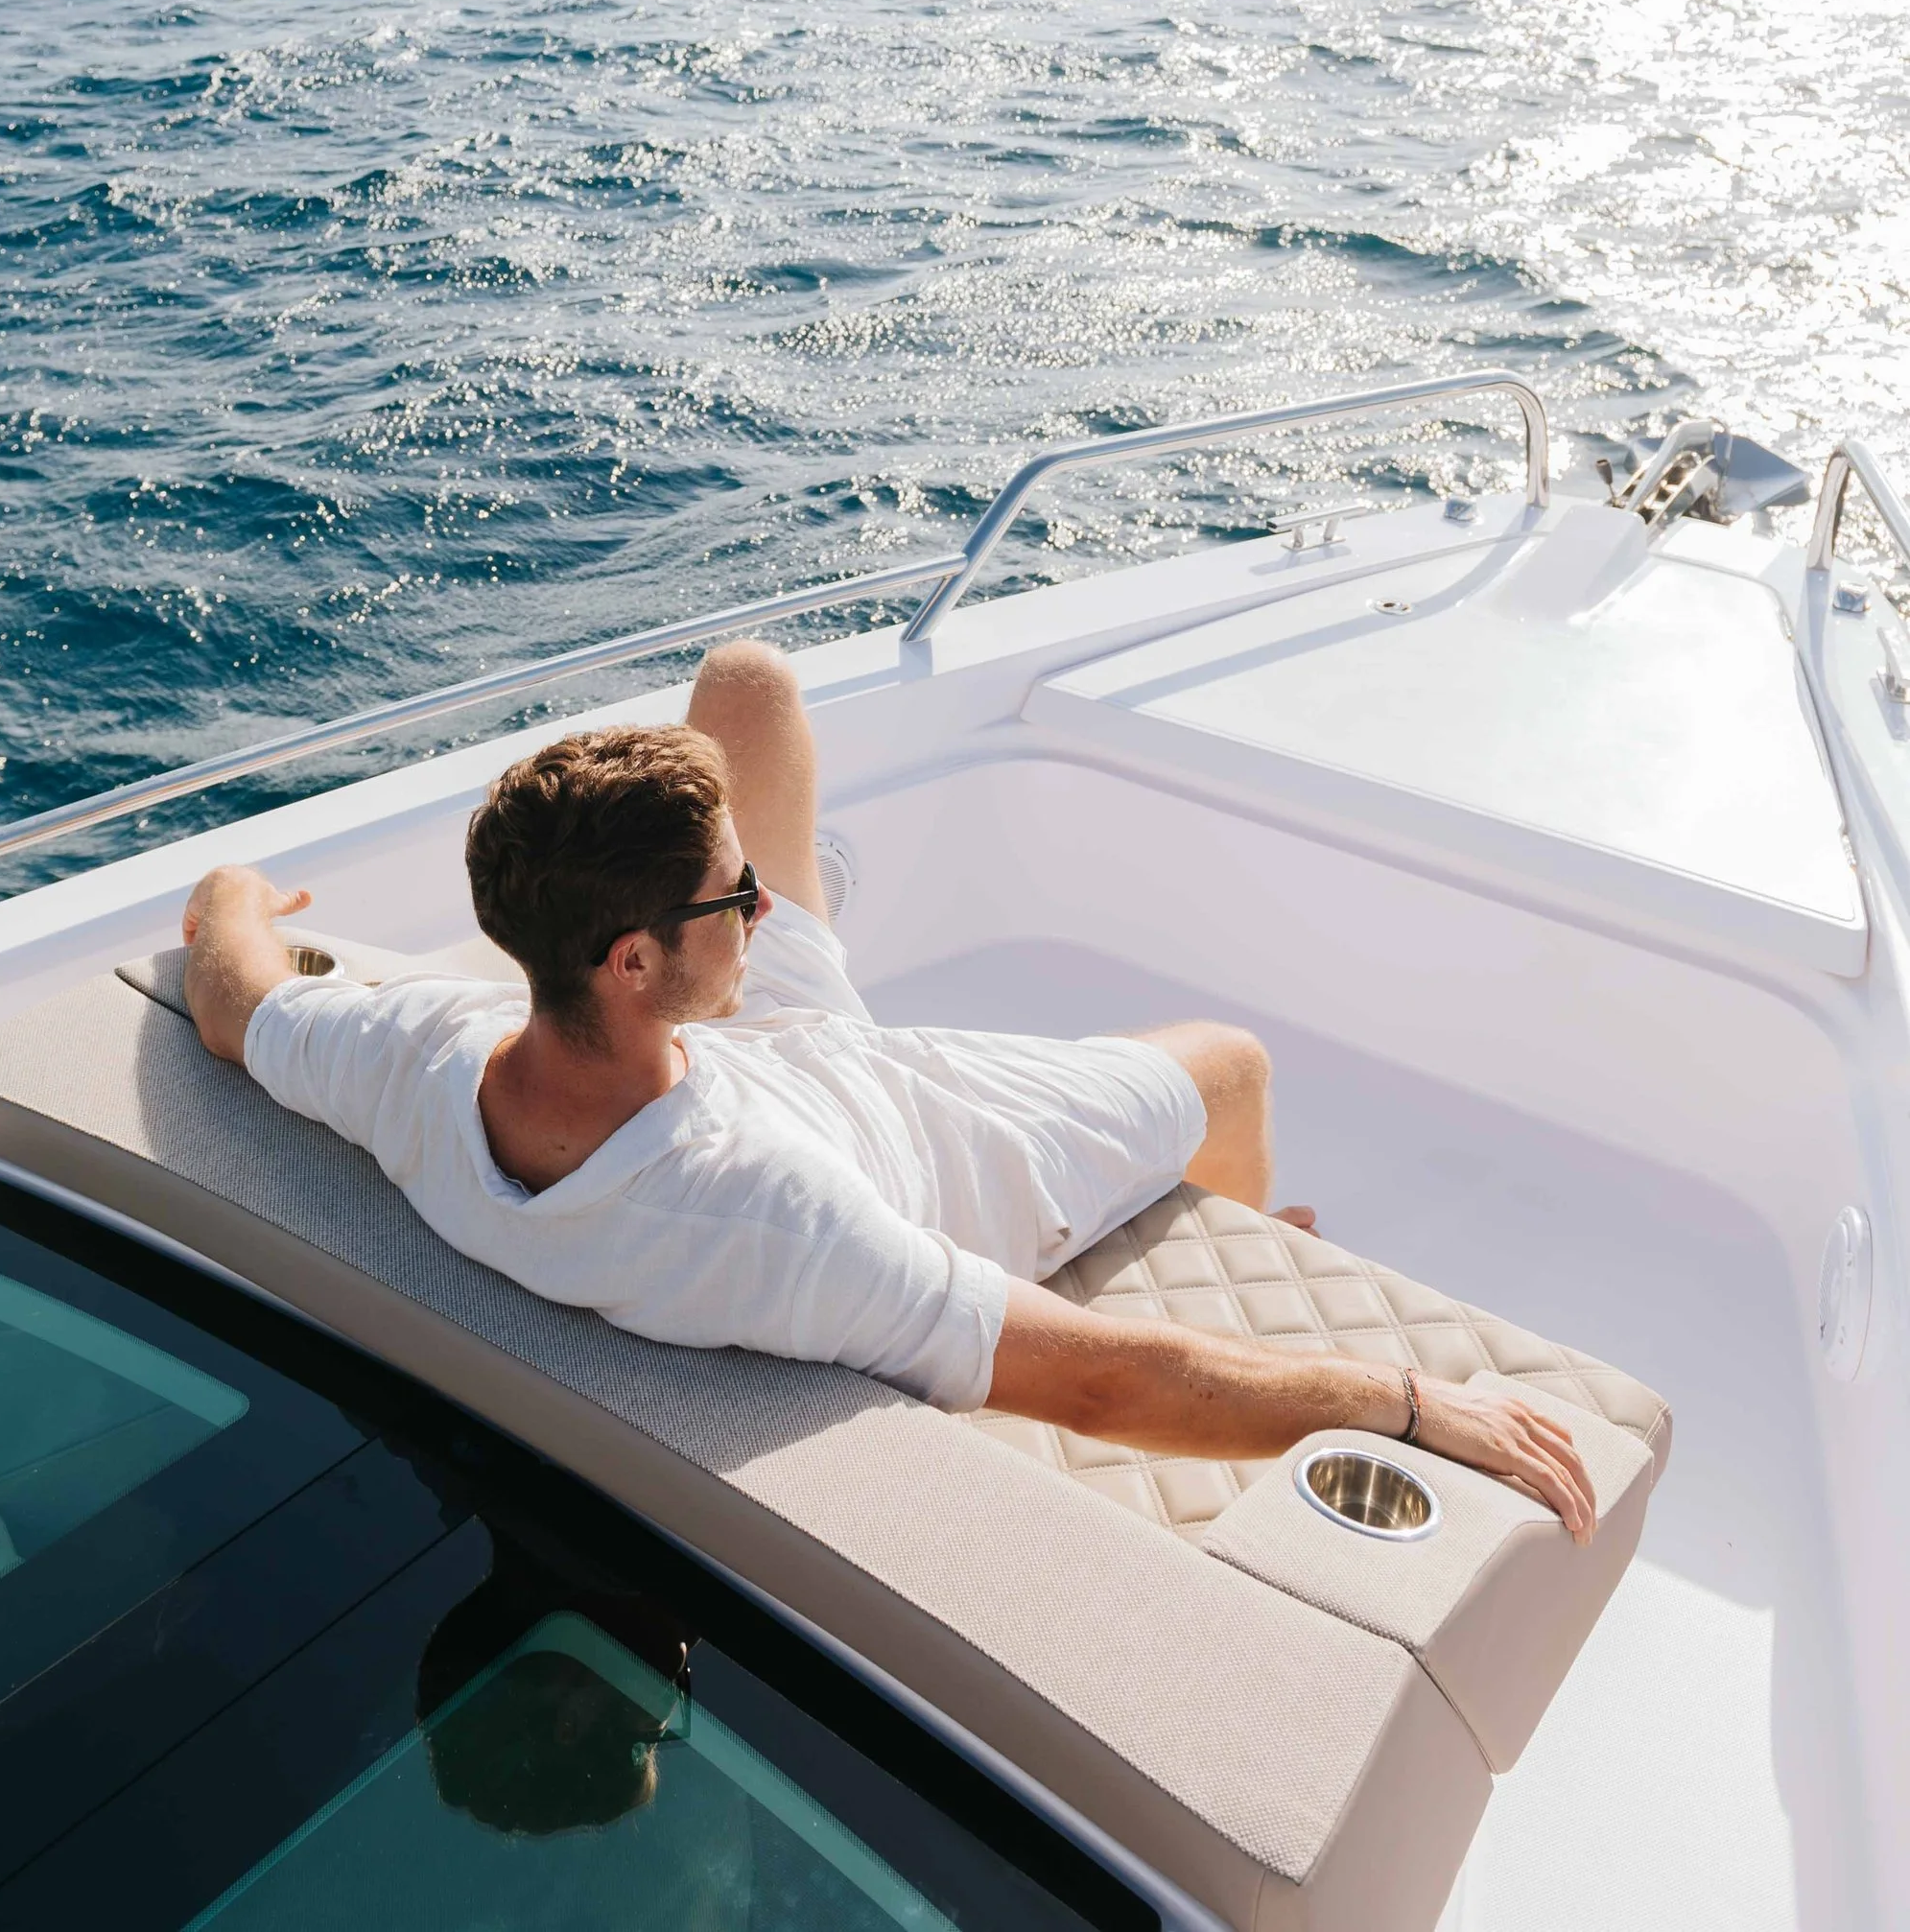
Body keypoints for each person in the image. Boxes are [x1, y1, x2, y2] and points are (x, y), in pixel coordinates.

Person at [182, 641, 1594, 1538]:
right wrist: (1401, 1401)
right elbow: (1097, 1388)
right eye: (737, 893)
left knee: (748, 690)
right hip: (914, 1126)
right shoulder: (769, 1219)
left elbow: (235, 994)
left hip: (739, 1049)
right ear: (631, 954)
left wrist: (230, 891)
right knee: (1230, 1066)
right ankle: (1183, 1239)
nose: (758, 896)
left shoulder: (419, 1056)